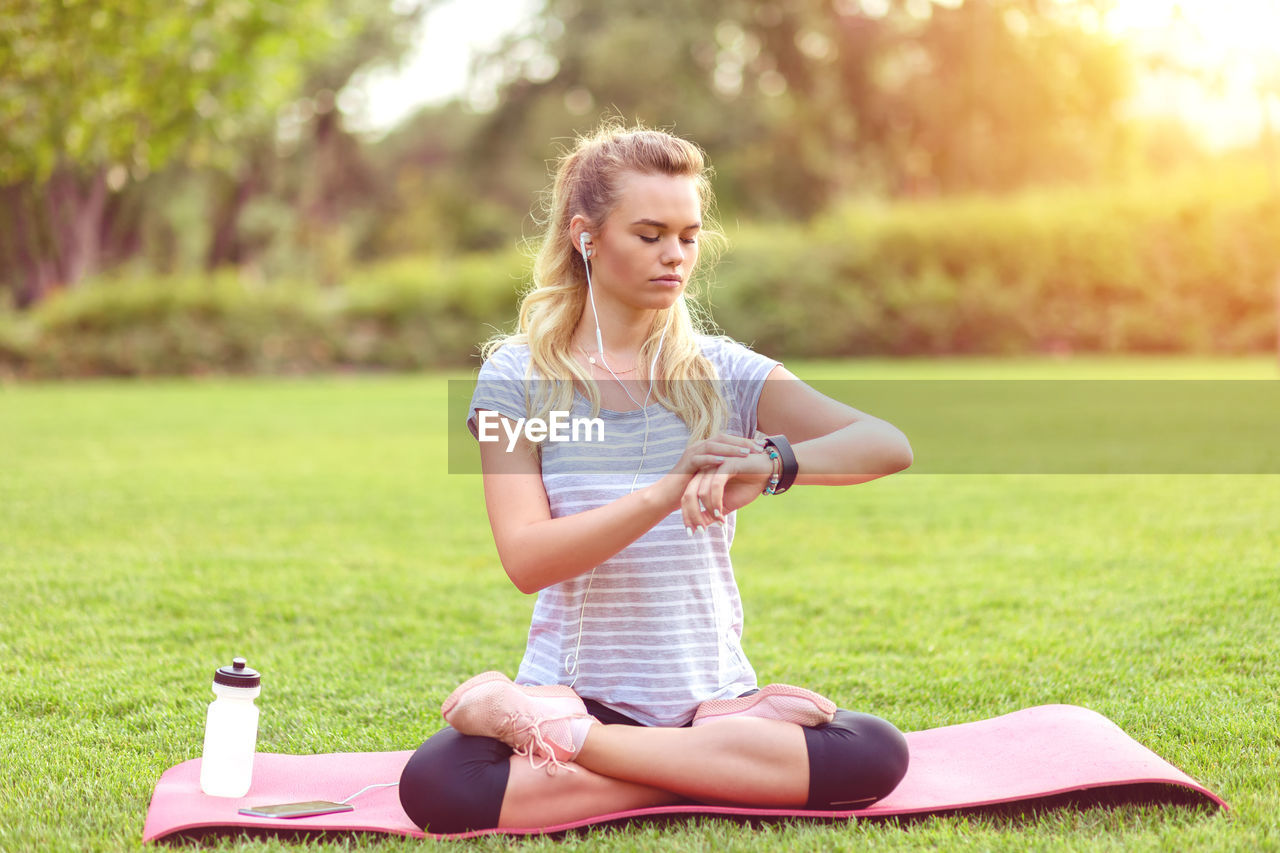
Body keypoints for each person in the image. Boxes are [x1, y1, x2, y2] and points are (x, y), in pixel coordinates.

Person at [399, 122, 914, 834]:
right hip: (578, 692)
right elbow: (526, 557)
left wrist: (772, 463)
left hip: (710, 701)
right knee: (439, 785)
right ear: (587, 237)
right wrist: (665, 489)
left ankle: (586, 751)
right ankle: (704, 774)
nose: (675, 256)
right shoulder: (513, 377)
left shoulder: (722, 367)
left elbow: (887, 443)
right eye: (649, 234)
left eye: (688, 235)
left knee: (874, 753)